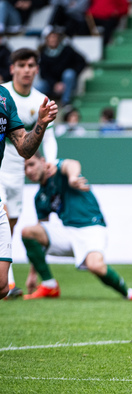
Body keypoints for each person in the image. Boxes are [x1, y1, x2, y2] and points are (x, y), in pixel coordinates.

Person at [21, 152, 132, 301]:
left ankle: (129, 294)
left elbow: (72, 164)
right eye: (25, 168)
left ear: (42, 161)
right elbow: (40, 234)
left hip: (91, 226)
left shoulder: (57, 169)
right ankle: (49, 285)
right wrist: (32, 274)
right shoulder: (39, 197)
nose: (29, 171)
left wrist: (73, 177)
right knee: (28, 232)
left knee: (96, 266)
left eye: (31, 164)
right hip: (67, 231)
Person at [0, 48, 57, 299]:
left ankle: (6, 282)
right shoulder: (8, 92)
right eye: (21, 65)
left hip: (19, 170)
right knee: (3, 209)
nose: (26, 70)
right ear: (12, 68)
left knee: (10, 220)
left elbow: (28, 145)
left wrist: (42, 125)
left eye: (31, 65)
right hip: (2, 170)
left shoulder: (8, 99)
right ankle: (11, 282)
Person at [35, 29, 87, 106]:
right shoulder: (43, 53)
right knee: (38, 87)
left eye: (55, 37)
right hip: (51, 84)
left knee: (69, 74)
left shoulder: (67, 49)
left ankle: (66, 102)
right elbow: (44, 73)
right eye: (51, 37)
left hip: (68, 83)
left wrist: (74, 73)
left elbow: (82, 61)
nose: (53, 39)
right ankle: (40, 106)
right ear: (47, 39)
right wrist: (54, 84)